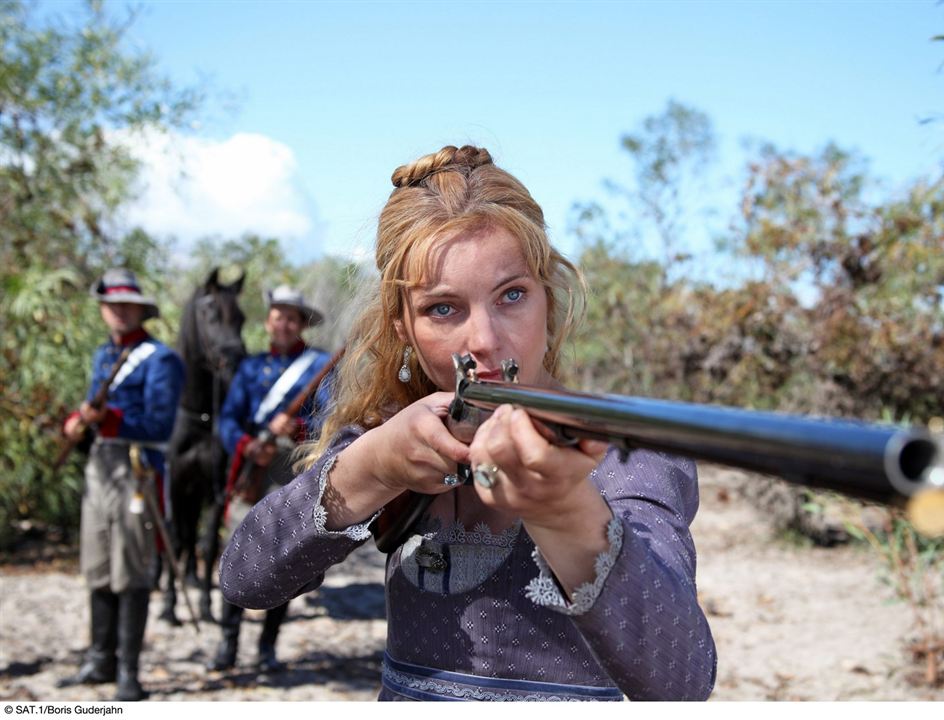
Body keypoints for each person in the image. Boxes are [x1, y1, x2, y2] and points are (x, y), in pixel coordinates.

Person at [218, 146, 717, 700]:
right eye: (443, 309)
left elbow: (682, 681)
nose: (483, 340)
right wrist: (370, 468)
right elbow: (245, 578)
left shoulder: (630, 450)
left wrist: (564, 510)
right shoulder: (392, 436)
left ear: (546, 300)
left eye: (511, 295)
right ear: (402, 326)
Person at [61, 268, 185, 701]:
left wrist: (106, 419)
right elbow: (96, 415)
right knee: (97, 566)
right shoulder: (101, 355)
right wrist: (79, 424)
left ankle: (129, 673)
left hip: (138, 468)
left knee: (130, 570)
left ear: (140, 309)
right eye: (111, 305)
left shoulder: (160, 359)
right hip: (101, 468)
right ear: (102, 310)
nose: (118, 312)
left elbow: (160, 424)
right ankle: (100, 659)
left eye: (126, 304)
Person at [207, 285, 331, 673]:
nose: (284, 323)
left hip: (290, 467)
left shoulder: (320, 366)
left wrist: (296, 427)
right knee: (235, 548)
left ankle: (266, 647)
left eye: (292, 317)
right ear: (268, 321)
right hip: (252, 468)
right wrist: (245, 445)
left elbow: (330, 419)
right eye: (279, 315)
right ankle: (228, 645)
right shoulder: (249, 367)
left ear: (301, 324)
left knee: (282, 555)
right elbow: (229, 419)